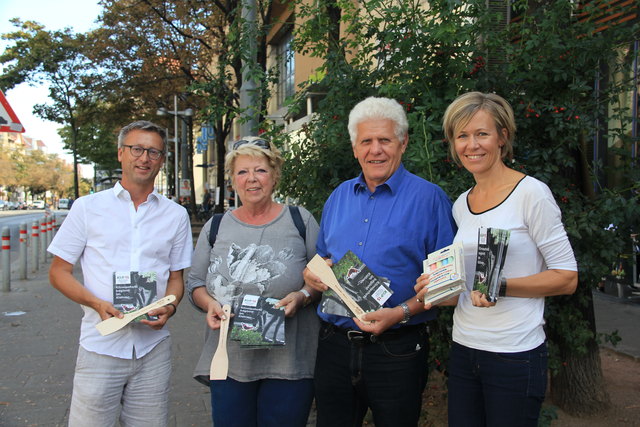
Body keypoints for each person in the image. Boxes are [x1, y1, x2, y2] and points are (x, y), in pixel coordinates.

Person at [416, 92, 578, 426]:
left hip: (515, 355)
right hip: (464, 349)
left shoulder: (531, 194)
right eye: (462, 136)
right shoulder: (462, 204)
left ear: (502, 137)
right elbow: (468, 288)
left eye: (481, 133)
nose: (471, 145)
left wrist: (499, 286)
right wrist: (437, 289)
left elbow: (567, 278)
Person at [303, 96, 457, 427]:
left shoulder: (430, 200)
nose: (376, 150)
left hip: (397, 350)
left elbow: (447, 287)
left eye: (384, 140)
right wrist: (312, 275)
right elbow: (322, 258)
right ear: (355, 148)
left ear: (403, 143)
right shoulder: (338, 197)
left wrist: (401, 312)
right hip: (335, 346)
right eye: (366, 141)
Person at [48, 120, 192, 427]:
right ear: (120, 154)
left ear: (162, 160)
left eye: (153, 152)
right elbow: (59, 272)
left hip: (153, 350)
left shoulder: (175, 215)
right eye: (137, 149)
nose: (144, 158)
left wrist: (171, 305)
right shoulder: (87, 208)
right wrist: (96, 304)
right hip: (100, 346)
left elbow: (176, 278)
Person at [186, 136, 321, 427]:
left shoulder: (300, 220)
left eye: (260, 170)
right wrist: (208, 303)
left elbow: (322, 279)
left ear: (274, 176)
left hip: (289, 362)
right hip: (230, 361)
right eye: (242, 172)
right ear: (233, 179)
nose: (252, 179)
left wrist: (302, 296)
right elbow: (195, 282)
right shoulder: (217, 225)